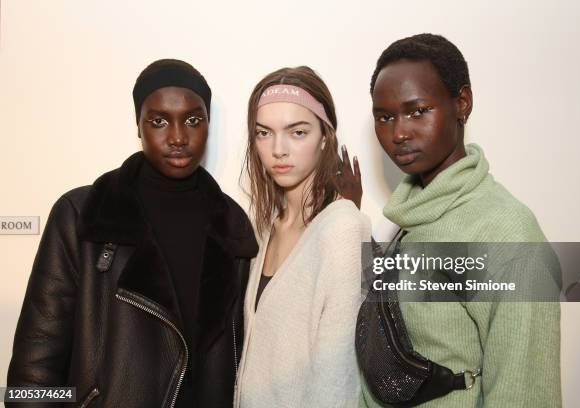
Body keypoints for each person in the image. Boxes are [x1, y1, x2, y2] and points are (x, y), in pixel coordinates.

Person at [7, 59, 258, 407]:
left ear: (208, 125)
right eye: (159, 121)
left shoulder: (234, 228)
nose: (178, 137)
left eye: (192, 120)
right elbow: (32, 378)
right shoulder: (82, 215)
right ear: (138, 125)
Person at [358, 34, 561, 407]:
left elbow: (526, 393)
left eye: (418, 110)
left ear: (462, 103)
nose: (399, 132)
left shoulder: (505, 231)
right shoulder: (410, 218)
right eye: (384, 117)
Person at [233, 66, 371, 407]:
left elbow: (337, 379)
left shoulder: (343, 230)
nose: (278, 149)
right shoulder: (264, 227)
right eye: (263, 133)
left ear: (325, 137)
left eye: (297, 132)